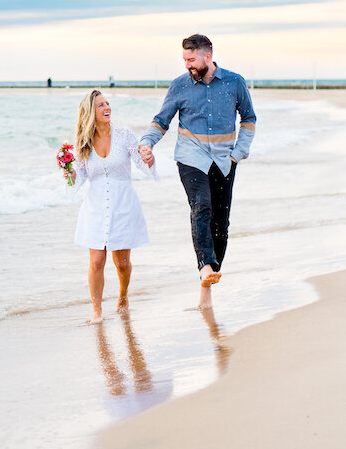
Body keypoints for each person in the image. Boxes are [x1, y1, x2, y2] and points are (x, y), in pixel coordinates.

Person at [138, 34, 256, 310]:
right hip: (191, 157)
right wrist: (146, 142)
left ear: (207, 56)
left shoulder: (234, 82)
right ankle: (204, 266)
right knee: (201, 206)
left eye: (191, 60)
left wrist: (239, 152)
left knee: (221, 224)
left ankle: (208, 282)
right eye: (185, 60)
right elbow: (161, 120)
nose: (188, 65)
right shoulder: (180, 85)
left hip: (225, 159)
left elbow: (249, 117)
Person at [67, 90, 157, 324]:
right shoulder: (83, 143)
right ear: (90, 112)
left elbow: (142, 163)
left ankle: (123, 295)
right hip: (96, 206)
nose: (107, 108)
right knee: (96, 261)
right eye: (100, 105)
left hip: (123, 204)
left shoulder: (124, 135)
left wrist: (149, 158)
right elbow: (77, 179)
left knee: (122, 262)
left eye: (107, 103)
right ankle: (97, 311)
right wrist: (68, 170)